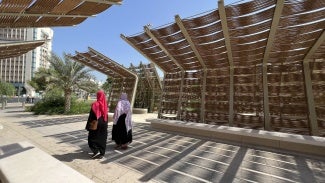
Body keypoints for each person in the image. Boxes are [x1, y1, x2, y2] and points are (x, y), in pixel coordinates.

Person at [85, 90, 108, 159]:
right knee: (102, 138)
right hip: (103, 123)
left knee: (92, 137)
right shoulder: (105, 104)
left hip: (96, 123)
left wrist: (88, 126)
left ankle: (95, 151)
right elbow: (105, 115)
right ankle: (102, 153)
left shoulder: (95, 104)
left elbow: (91, 116)